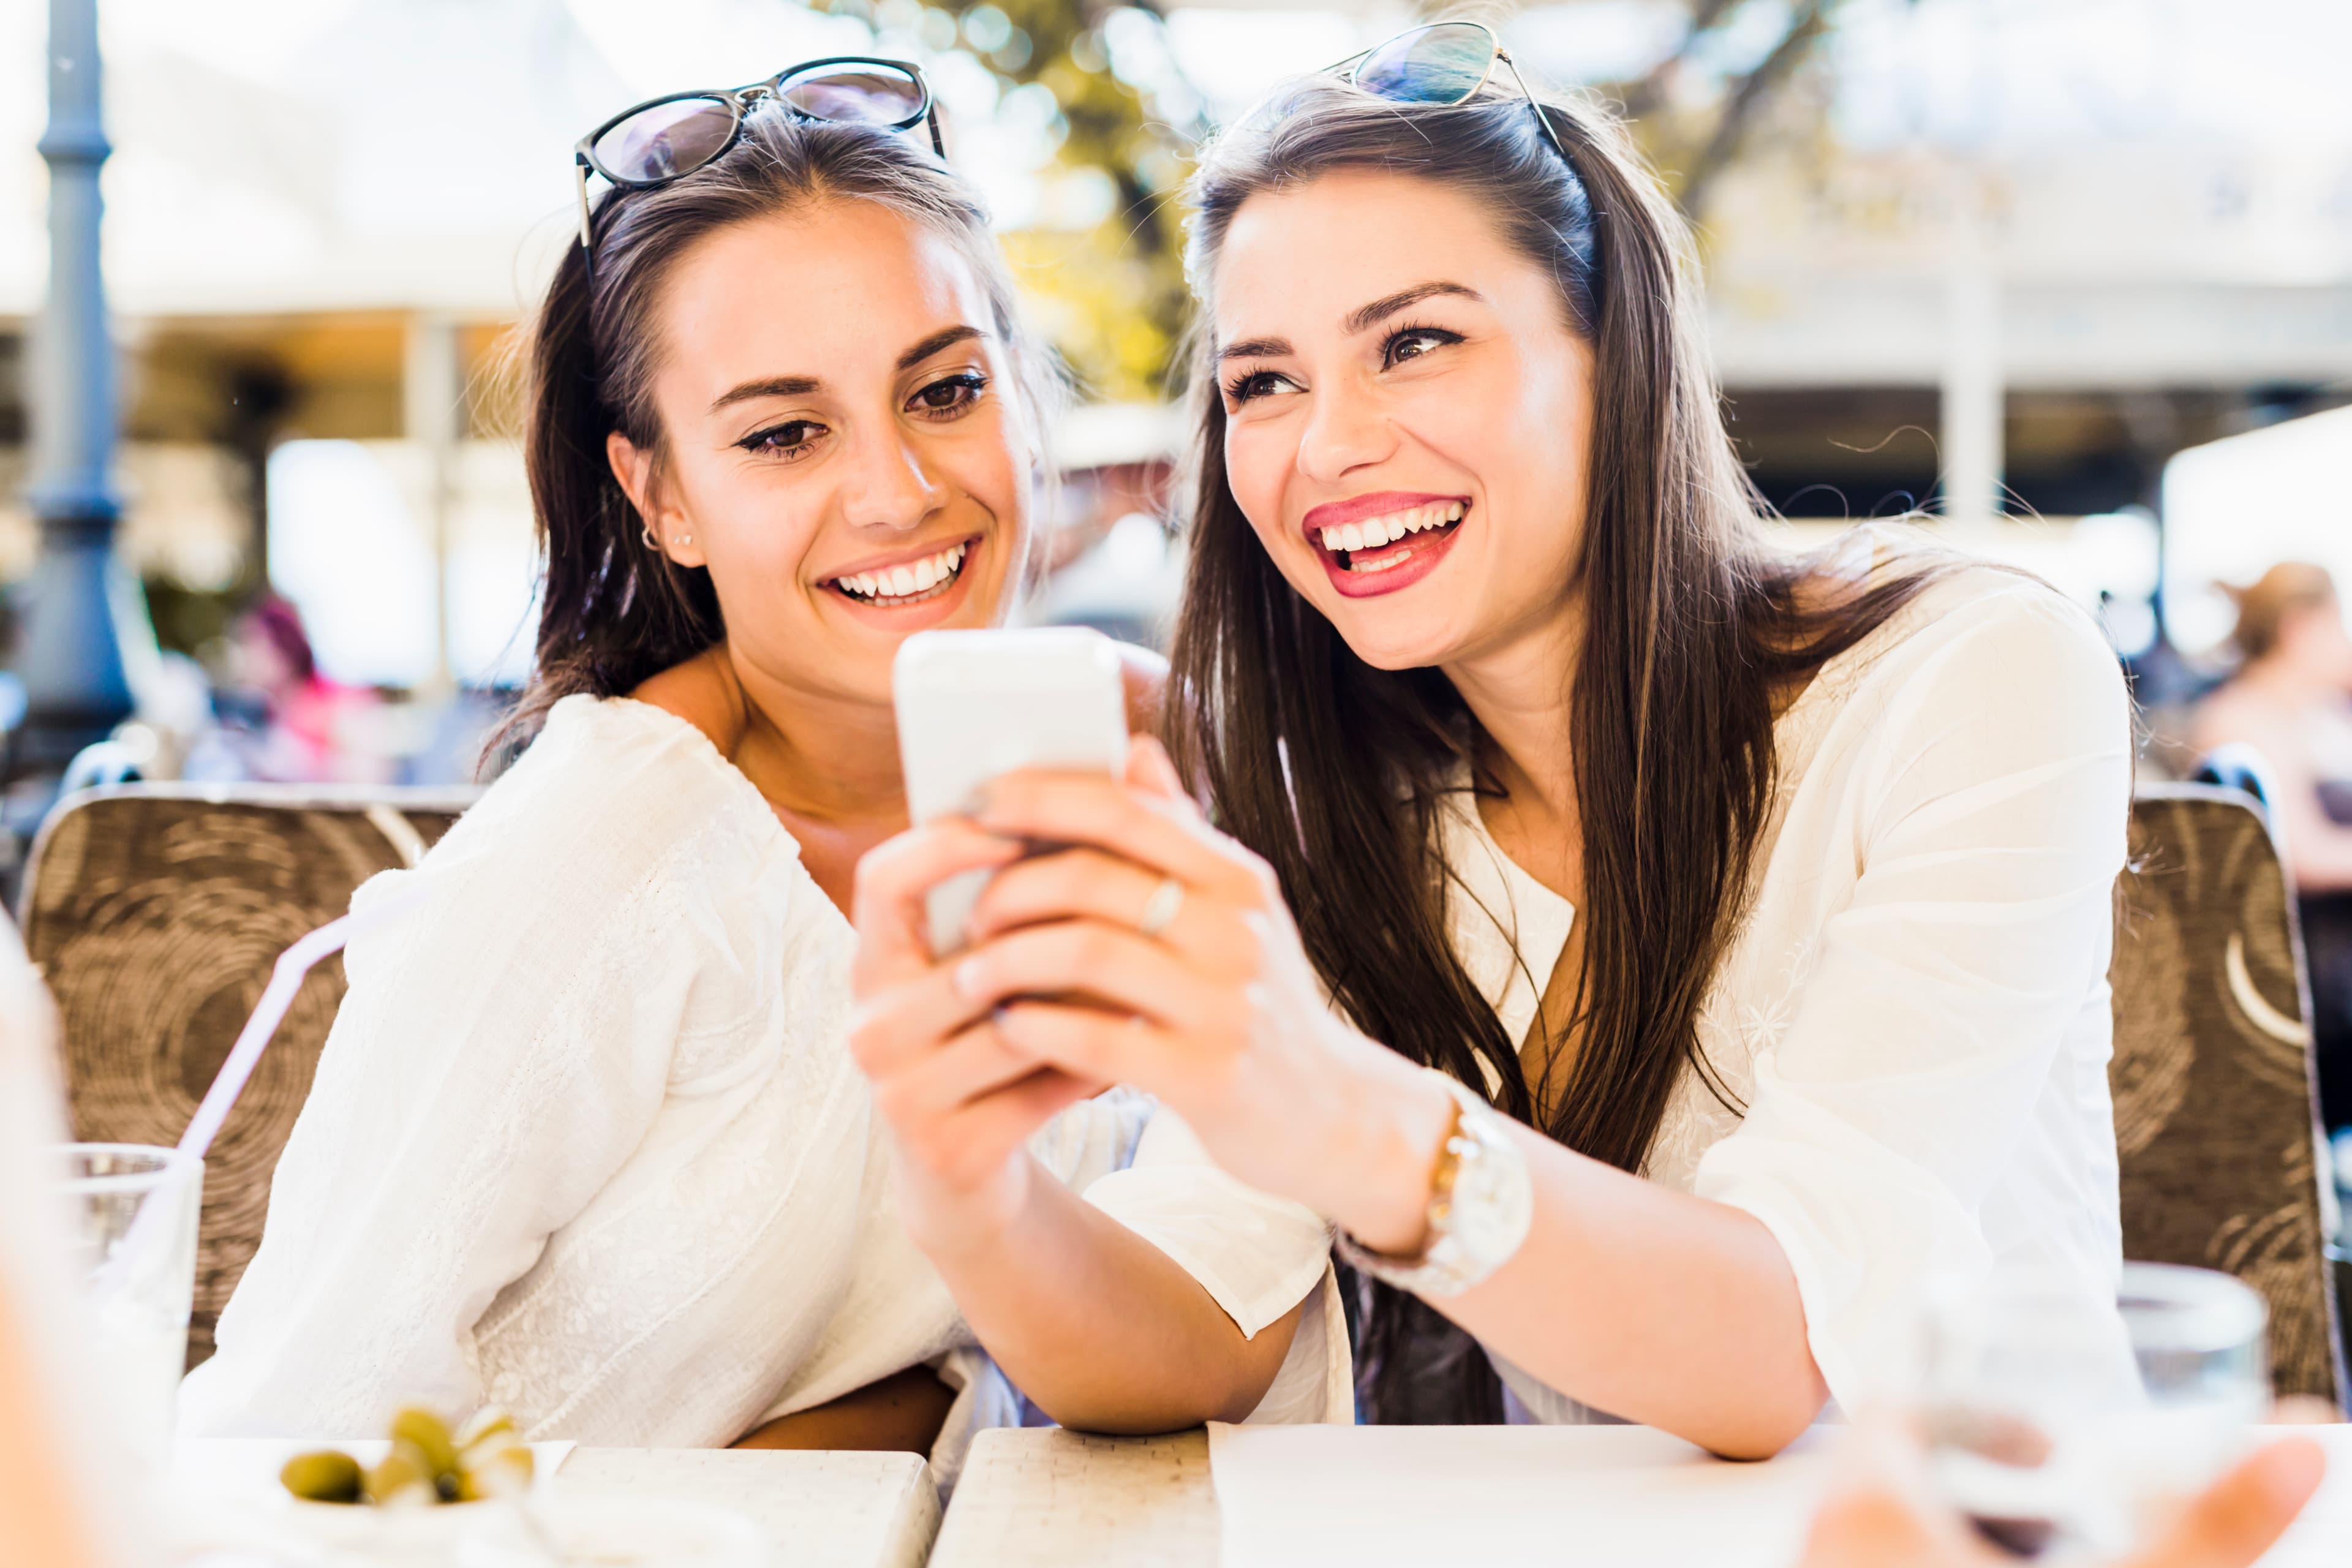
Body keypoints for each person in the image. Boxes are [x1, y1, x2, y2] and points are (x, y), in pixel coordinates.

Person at [848, 24, 2130, 1453]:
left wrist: (1327, 1100)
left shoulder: (1971, 675)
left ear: (1610, 357)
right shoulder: (1344, 808)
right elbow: (1185, 1325)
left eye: (1415, 341)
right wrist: (968, 1190)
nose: (1324, 445)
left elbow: (1782, 1346)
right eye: (1263, 381)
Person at [180, 83, 1328, 1466]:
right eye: (785, 432)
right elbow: (289, 1434)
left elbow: (1202, 1304)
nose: (898, 489)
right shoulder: (599, 854)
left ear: (1024, 398)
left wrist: (897, 1414)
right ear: (661, 494)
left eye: (946, 389)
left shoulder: (1187, 780)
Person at [2191, 561, 2352, 1129]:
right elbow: (2300, 857)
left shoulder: (2322, 715)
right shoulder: (2243, 720)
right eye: (2338, 623)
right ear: (2300, 628)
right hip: (2307, 958)